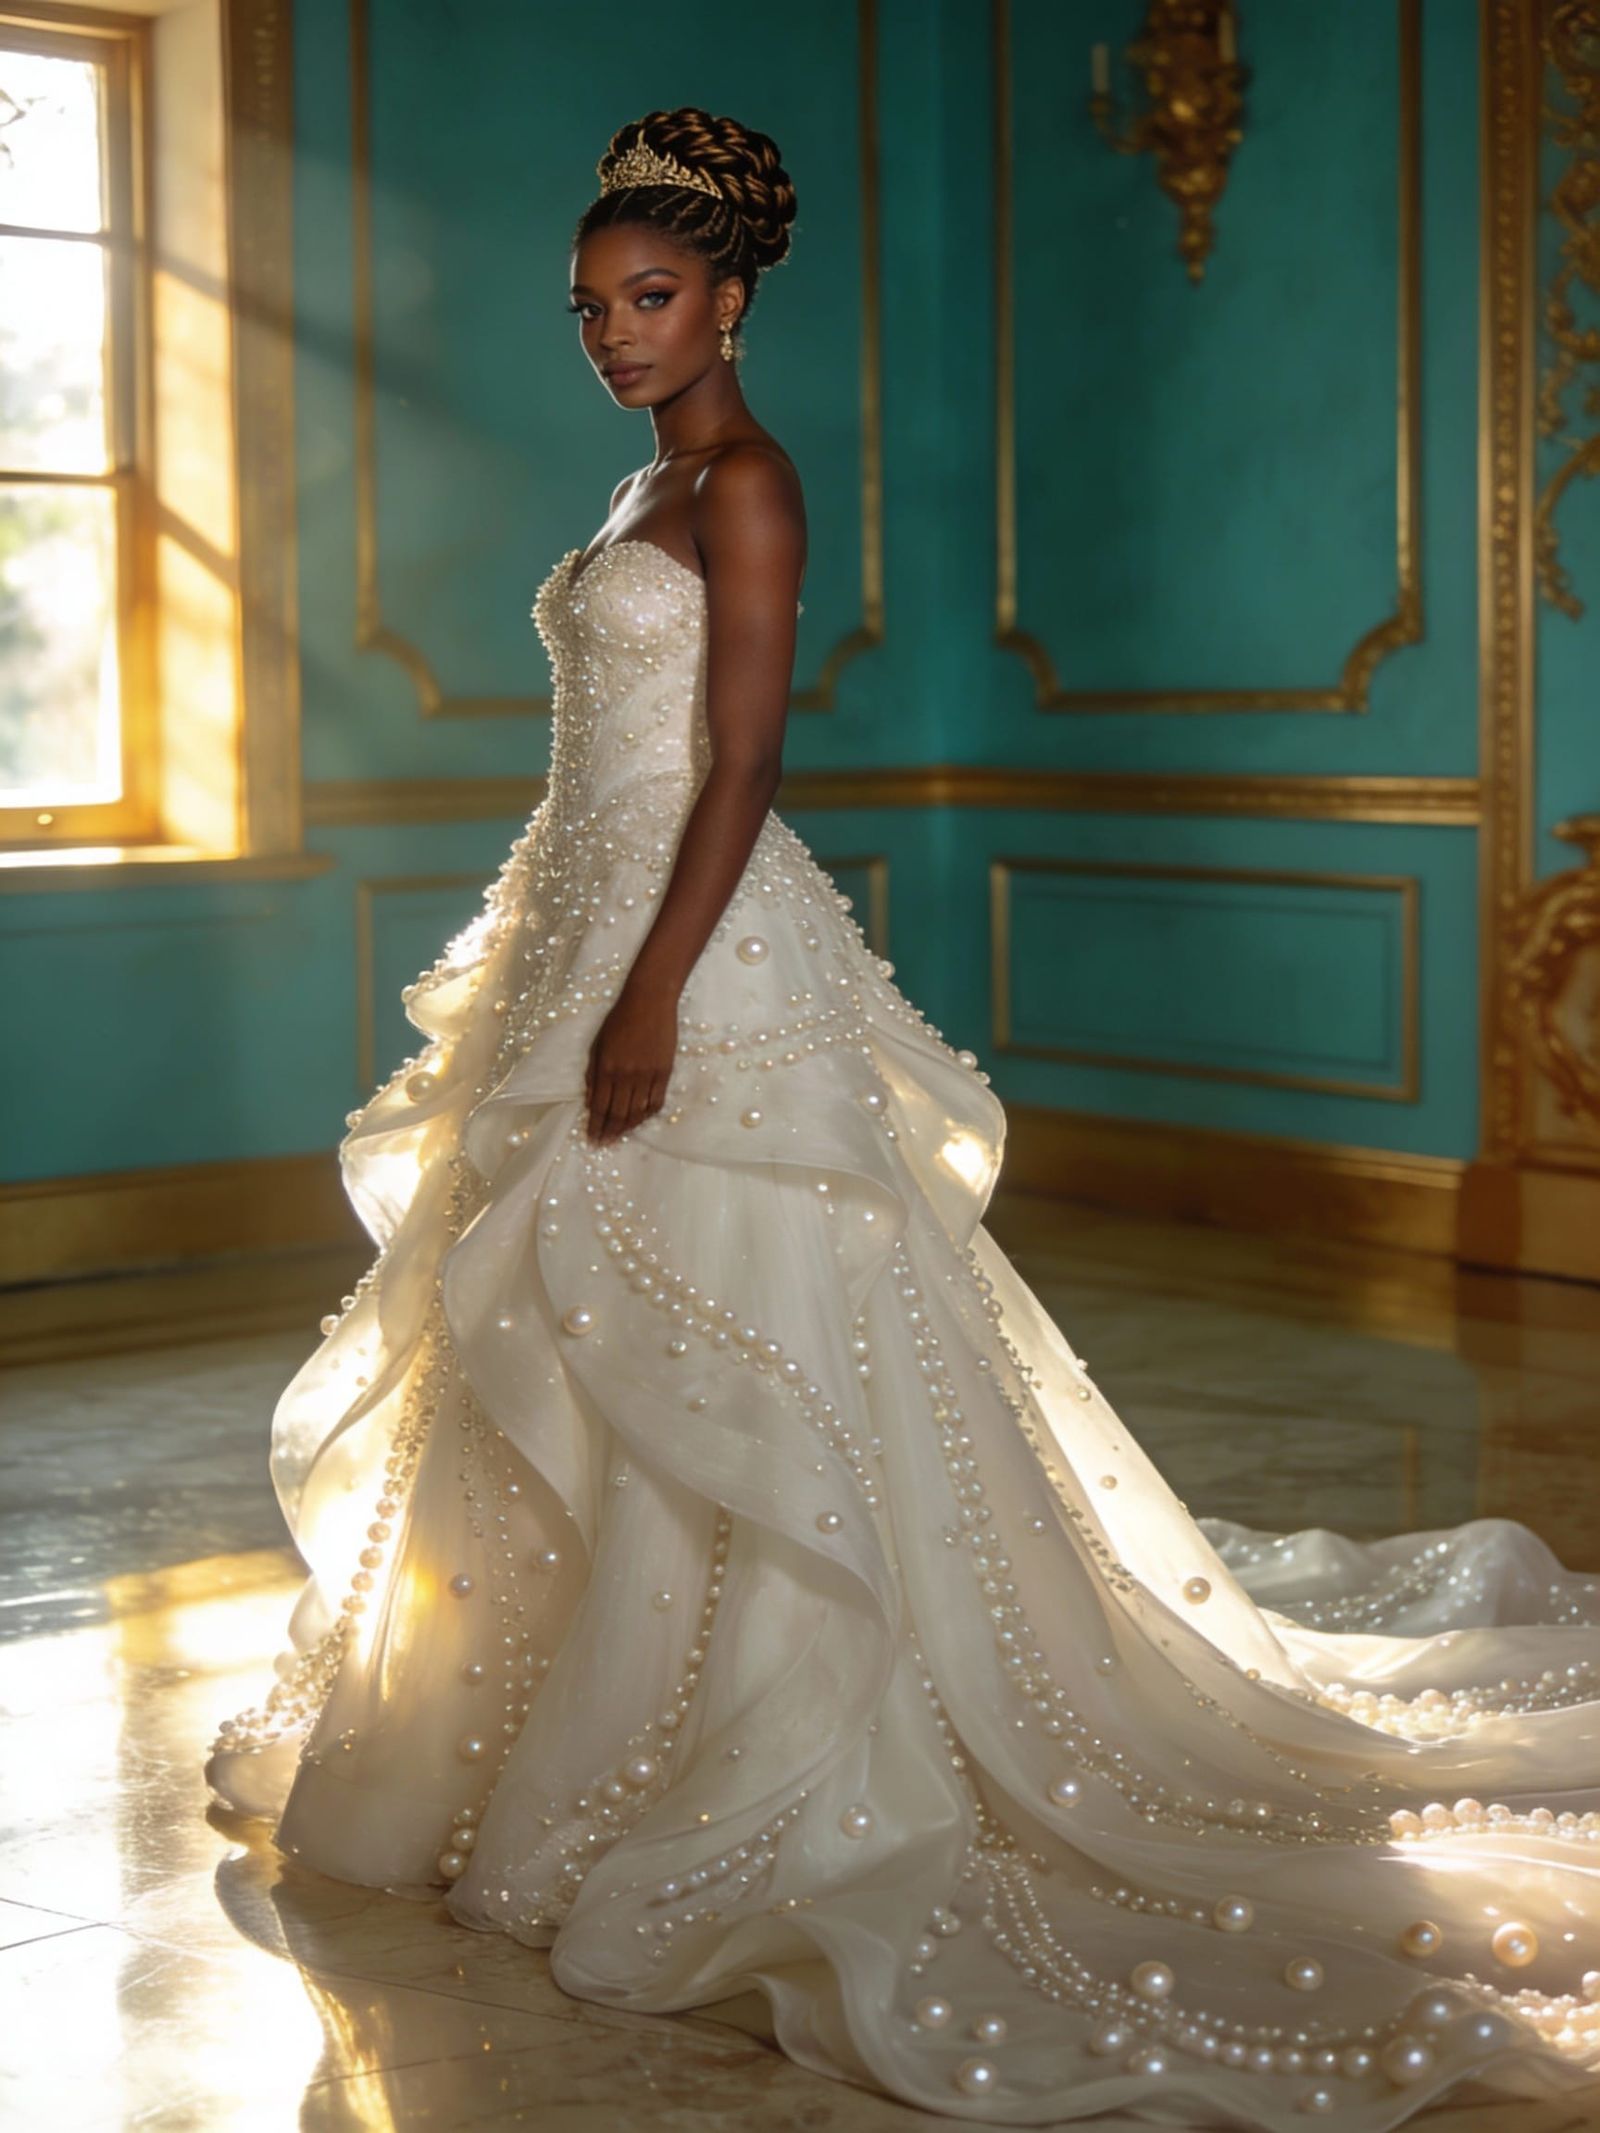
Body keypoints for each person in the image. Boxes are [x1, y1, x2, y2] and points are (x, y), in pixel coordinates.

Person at [207, 107, 1600, 2128]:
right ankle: (557, 1738)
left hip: (685, 955)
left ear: (732, 297)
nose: (611, 333)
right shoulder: (640, 477)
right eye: (591, 304)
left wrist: (651, 997)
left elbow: (740, 765)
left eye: (649, 297)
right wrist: (573, 968)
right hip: (576, 932)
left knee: (726, 1340)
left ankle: (760, 1737)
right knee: (563, 1335)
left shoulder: (749, 486)